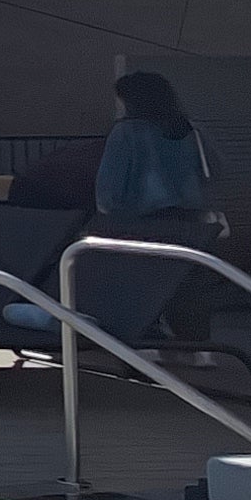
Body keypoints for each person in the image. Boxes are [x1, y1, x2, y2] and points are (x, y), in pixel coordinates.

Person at [90, 70, 220, 348]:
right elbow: (215, 171)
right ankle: (198, 348)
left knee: (145, 286)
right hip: (192, 221)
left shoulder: (126, 133)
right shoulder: (192, 131)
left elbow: (109, 191)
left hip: (141, 222)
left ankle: (152, 344)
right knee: (190, 282)